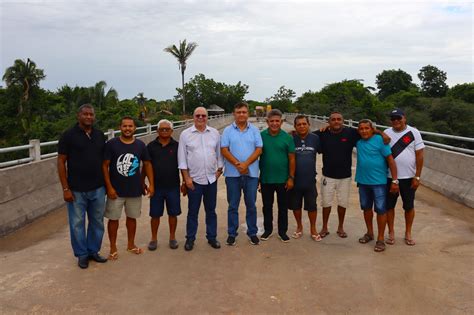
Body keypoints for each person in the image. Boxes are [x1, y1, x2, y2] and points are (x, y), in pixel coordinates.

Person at [314, 112, 390, 239]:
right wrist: (293, 133)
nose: (336, 121)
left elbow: (367, 130)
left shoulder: (351, 132)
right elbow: (306, 135)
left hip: (345, 176)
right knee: (326, 203)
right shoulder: (322, 133)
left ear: (343, 121)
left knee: (342, 203)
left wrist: (382, 134)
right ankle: (324, 227)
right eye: (333, 120)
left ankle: (340, 227)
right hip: (328, 175)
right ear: (328, 122)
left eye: (339, 119)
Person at [57, 104, 108, 269]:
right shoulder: (68, 135)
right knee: (77, 223)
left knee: (97, 222)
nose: (89, 117)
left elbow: (104, 162)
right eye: (85, 114)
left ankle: (93, 251)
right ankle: (82, 254)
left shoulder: (100, 135)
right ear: (78, 116)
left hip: (98, 188)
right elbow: (61, 161)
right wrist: (65, 188)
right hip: (76, 190)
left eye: (91, 114)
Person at [103, 116, 154, 260]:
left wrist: (151, 184)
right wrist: (109, 187)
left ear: (134, 128)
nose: (127, 129)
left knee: (132, 218)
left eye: (130, 126)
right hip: (116, 191)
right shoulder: (111, 144)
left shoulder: (140, 145)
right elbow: (104, 166)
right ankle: (113, 247)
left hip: (134, 190)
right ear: (120, 127)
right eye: (124, 126)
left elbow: (147, 164)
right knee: (113, 219)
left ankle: (131, 244)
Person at [178, 107, 224, 251]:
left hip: (211, 180)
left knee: (211, 210)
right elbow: (182, 159)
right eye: (198, 115)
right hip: (194, 181)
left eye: (203, 115)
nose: (200, 118)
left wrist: (219, 171)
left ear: (207, 117)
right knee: (193, 211)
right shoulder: (185, 134)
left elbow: (219, 155)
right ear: (193, 117)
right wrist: (187, 179)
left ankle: (212, 237)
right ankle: (190, 239)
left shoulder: (214, 133)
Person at [221, 102, 263, 246]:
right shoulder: (227, 131)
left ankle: (252, 232)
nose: (241, 114)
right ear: (234, 113)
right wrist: (239, 165)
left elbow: (259, 149)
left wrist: (245, 164)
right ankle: (232, 233)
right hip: (233, 175)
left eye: (244, 112)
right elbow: (224, 150)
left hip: (251, 174)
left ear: (248, 114)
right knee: (233, 205)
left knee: (251, 204)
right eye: (238, 112)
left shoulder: (254, 130)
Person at [355, 119, 398, 253]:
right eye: (361, 128)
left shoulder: (380, 141)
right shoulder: (359, 142)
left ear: (372, 129)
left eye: (367, 128)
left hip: (379, 182)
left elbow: (391, 161)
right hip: (362, 182)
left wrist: (395, 181)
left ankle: (380, 239)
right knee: (366, 208)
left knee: (380, 210)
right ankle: (369, 233)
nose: (364, 131)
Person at [385, 108, 424, 246]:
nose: (396, 121)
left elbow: (420, 155)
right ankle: (391, 232)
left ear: (404, 118)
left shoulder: (414, 132)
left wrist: (417, 176)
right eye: (393, 119)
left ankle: (408, 232)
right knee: (389, 206)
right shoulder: (386, 133)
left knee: (408, 206)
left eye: (398, 118)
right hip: (390, 177)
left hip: (409, 177)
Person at [144, 119, 182, 251]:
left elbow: (183, 165)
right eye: (162, 129)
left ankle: (172, 237)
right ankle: (153, 238)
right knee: (155, 215)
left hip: (173, 186)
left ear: (172, 131)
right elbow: (146, 165)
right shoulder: (150, 146)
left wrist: (184, 182)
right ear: (157, 131)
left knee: (173, 214)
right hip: (156, 187)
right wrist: (143, 182)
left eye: (167, 129)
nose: (164, 131)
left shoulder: (177, 146)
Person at [259, 109, 295, 242]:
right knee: (267, 206)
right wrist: (258, 178)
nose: (274, 123)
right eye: (272, 121)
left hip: (283, 179)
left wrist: (291, 178)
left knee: (283, 207)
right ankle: (267, 230)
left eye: (277, 121)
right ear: (267, 122)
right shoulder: (261, 136)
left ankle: (282, 231)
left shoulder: (287, 138)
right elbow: (257, 156)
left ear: (281, 122)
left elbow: (292, 159)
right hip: (266, 179)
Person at [289, 115, 321, 241]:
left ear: (309, 125)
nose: (302, 126)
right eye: (299, 124)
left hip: (310, 180)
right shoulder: (290, 138)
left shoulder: (315, 138)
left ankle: (313, 229)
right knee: (296, 206)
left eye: (304, 124)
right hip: (294, 180)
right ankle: (299, 227)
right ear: (295, 126)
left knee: (312, 206)